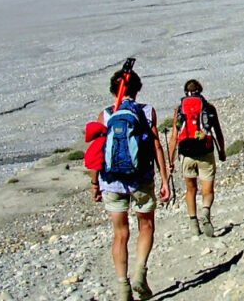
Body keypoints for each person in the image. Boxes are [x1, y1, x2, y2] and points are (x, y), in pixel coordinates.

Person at [90, 68, 170, 301]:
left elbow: (97, 151)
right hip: (141, 179)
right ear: (137, 89)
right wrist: (165, 180)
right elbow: (156, 146)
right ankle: (139, 273)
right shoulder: (146, 111)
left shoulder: (106, 114)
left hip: (111, 181)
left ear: (113, 90)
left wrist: (95, 184)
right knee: (146, 226)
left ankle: (123, 286)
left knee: (120, 234)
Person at [168, 79, 226, 238]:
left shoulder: (180, 110)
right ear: (200, 90)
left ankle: (194, 224)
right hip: (205, 152)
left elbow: (174, 137)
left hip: (186, 154)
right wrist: (222, 151)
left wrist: (170, 161)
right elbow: (218, 132)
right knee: (207, 190)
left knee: (190, 189)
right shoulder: (209, 107)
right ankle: (205, 211)